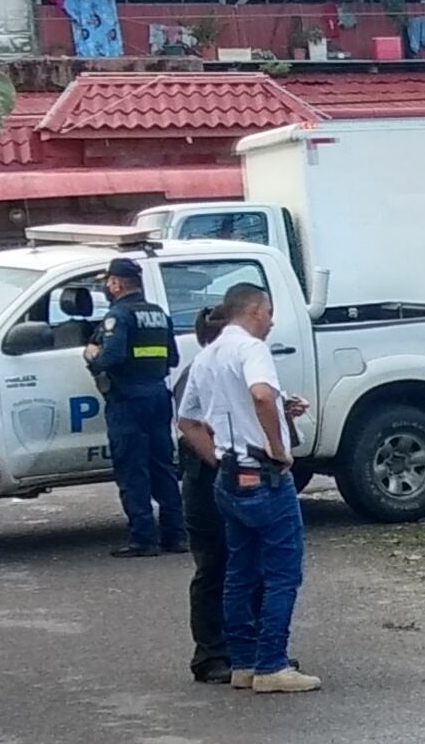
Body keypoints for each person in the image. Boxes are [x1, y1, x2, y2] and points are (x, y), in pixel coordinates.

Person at [181, 278, 317, 694]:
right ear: (256, 310)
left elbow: (187, 421)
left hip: (229, 478)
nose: (272, 322)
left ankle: (242, 661)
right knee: (281, 572)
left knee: (239, 571)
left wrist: (221, 456)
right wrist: (278, 449)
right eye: (271, 313)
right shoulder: (252, 348)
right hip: (263, 475)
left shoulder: (207, 356)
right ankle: (272, 663)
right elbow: (259, 395)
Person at [87, 255, 186, 557]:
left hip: (128, 399)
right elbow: (173, 359)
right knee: (162, 467)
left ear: (116, 283)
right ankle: (176, 536)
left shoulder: (118, 316)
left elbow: (111, 357)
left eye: (108, 282)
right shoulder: (157, 313)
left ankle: (144, 538)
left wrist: (92, 357)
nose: (107, 286)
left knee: (133, 468)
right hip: (157, 395)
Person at [179, 294, 235, 683]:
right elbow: (191, 426)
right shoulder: (199, 372)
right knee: (214, 566)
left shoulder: (234, 368)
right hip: (206, 481)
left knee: (245, 566)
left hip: (228, 476)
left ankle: (244, 648)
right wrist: (223, 462)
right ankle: (211, 653)